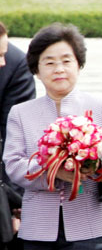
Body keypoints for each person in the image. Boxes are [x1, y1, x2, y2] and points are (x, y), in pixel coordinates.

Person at [3, 23, 102, 249]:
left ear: (79, 65)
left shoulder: (101, 107)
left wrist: (96, 158)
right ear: (36, 70)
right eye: (49, 62)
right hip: (38, 228)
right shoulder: (21, 113)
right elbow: (13, 166)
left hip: (92, 225)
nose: (59, 69)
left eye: (66, 61)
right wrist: (54, 170)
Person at [0, 21, 35, 250]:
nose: (2, 62)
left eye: (3, 53)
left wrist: (14, 204)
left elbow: (13, 137)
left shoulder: (13, 65)